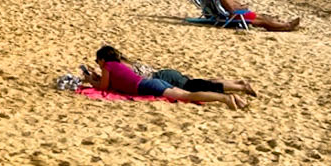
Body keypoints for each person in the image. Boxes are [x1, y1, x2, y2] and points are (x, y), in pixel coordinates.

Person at [83, 46, 250, 108]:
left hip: (149, 86)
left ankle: (225, 98)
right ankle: (234, 96)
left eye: (97, 61)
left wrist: (90, 80)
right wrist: (96, 77)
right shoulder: (117, 65)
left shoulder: (107, 65)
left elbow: (104, 88)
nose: (98, 64)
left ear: (102, 59)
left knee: (188, 95)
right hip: (153, 81)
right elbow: (115, 81)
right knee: (192, 88)